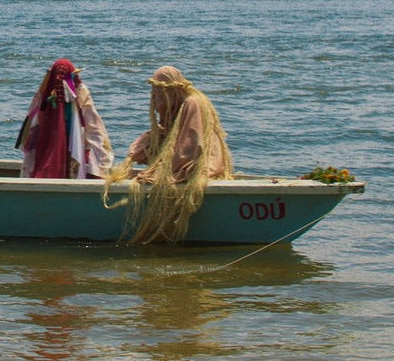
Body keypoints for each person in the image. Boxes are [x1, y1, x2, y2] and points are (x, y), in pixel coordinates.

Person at [105, 65, 233, 242]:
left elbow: (188, 148)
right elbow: (164, 134)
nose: (153, 97)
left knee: (150, 178)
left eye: (157, 91)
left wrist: (160, 171)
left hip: (201, 164)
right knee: (136, 174)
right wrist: (140, 149)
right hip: (186, 160)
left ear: (169, 89)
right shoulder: (175, 105)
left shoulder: (192, 103)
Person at [16, 58, 113, 179]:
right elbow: (93, 124)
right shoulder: (80, 91)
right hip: (75, 141)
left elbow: (32, 118)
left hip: (47, 143)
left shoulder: (45, 92)